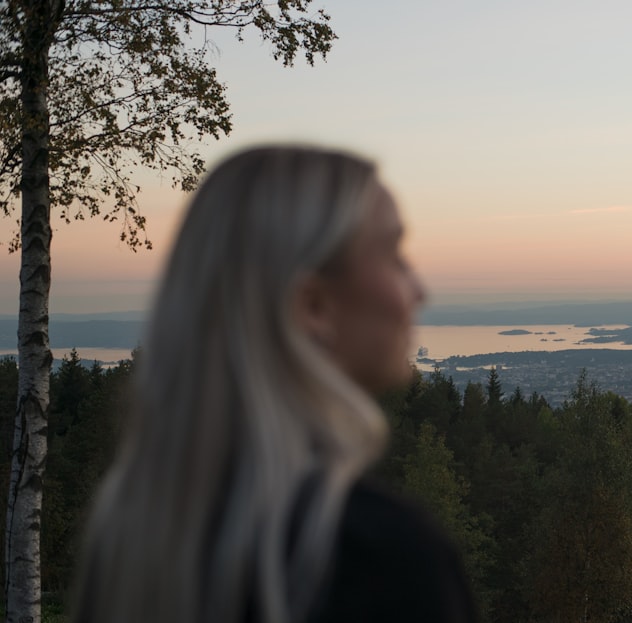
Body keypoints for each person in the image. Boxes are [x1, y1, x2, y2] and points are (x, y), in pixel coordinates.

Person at [71, 146, 477, 623]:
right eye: (393, 255)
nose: (418, 289)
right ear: (313, 306)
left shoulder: (130, 533)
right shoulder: (379, 558)